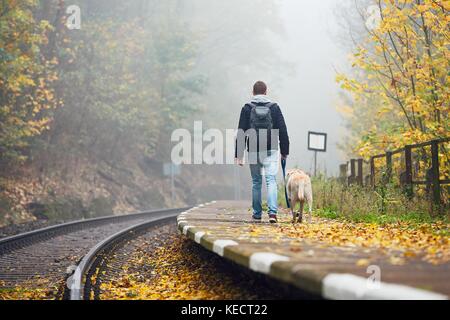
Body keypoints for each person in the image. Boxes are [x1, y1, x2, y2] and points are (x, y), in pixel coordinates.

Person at [235, 81, 290, 223]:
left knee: (256, 182)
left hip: (253, 148)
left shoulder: (247, 108)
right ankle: (272, 213)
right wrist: (285, 151)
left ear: (253, 92)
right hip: (271, 147)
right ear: (266, 92)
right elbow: (283, 130)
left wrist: (238, 155)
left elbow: (241, 131)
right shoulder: (274, 108)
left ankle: (257, 214)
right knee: (271, 180)